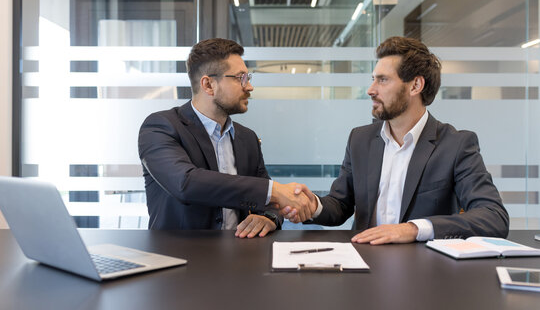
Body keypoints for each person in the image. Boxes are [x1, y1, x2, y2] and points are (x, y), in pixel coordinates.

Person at [285, 36, 509, 244]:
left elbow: (493, 216)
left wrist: (413, 229)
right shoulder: (360, 139)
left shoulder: (456, 144)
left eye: (382, 80)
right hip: (364, 264)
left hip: (425, 272)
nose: (371, 90)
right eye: (373, 79)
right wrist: (313, 205)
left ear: (415, 86)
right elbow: (341, 204)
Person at [139, 38, 314, 238]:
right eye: (240, 78)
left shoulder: (247, 138)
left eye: (248, 78)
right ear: (209, 85)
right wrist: (274, 191)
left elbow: (269, 202)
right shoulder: (161, 127)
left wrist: (269, 217)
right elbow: (185, 183)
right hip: (178, 259)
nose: (249, 87)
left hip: (238, 259)